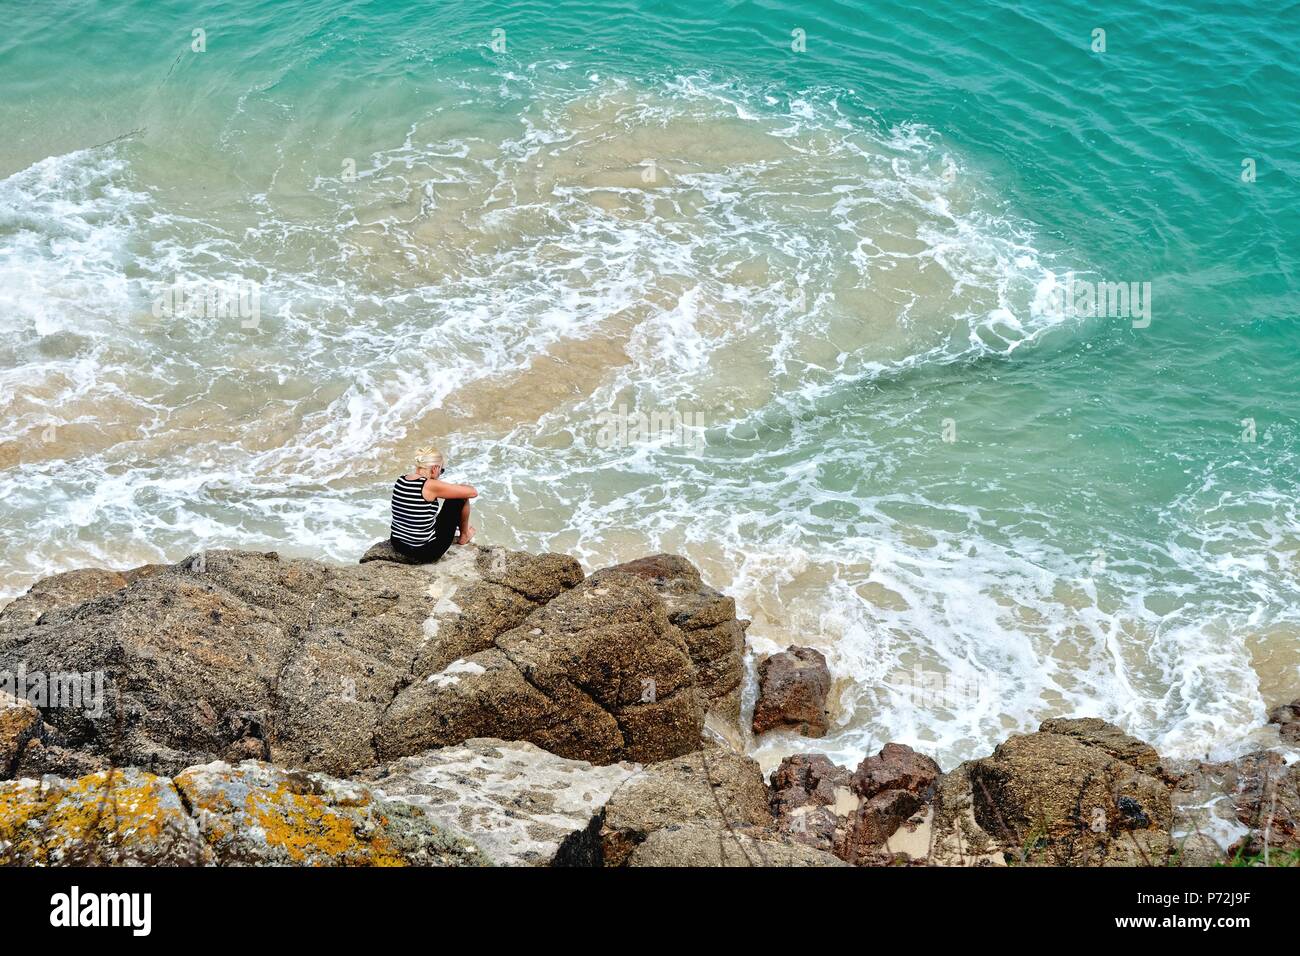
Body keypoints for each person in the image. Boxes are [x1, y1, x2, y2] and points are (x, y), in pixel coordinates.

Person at [388, 446, 476, 563]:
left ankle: (458, 532)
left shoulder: (401, 480)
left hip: (398, 544)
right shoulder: (429, 485)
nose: (440, 474)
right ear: (434, 469)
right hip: (426, 552)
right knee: (460, 497)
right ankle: (464, 535)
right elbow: (473, 492)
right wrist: (462, 486)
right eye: (441, 470)